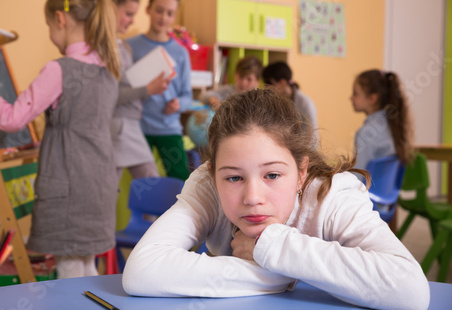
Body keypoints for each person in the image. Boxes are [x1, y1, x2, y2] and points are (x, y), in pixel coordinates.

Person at [122, 89, 429, 309]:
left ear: (301, 172)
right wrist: (276, 274)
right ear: (213, 173)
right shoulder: (206, 184)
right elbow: (141, 271)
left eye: (272, 176)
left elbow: (409, 291)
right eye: (233, 178)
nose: (253, 198)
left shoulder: (333, 195)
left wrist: (274, 246)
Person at [0, 0, 120, 279]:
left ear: (60, 19)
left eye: (48, 25)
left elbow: (10, 119)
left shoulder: (60, 69)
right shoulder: (107, 70)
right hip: (99, 186)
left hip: (70, 188)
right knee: (85, 266)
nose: (50, 34)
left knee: (69, 271)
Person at [106, 0, 171, 182]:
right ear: (110, 10)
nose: (132, 20)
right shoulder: (105, 47)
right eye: (128, 14)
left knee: (149, 184)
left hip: (130, 123)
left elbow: (124, 85)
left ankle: (152, 215)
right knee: (109, 190)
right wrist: (147, 89)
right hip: (119, 125)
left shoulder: (123, 45)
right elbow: (110, 94)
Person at [127, 0, 192, 181]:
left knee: (181, 180)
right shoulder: (129, 47)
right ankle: (147, 213)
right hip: (138, 128)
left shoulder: (181, 53)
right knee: (143, 182)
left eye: (170, 13)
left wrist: (179, 104)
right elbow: (120, 88)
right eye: (159, 10)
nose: (163, 17)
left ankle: (178, 214)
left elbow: (187, 94)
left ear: (174, 17)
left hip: (168, 127)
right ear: (148, 9)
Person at [351, 69, 414, 172]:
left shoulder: (366, 133)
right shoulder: (394, 126)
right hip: (387, 189)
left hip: (367, 187)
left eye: (355, 93)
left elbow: (357, 177)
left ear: (372, 99)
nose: (351, 97)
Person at [262, 61, 318, 137]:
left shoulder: (305, 103)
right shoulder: (274, 100)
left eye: (269, 83)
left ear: (282, 82)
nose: (266, 88)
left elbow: (313, 138)